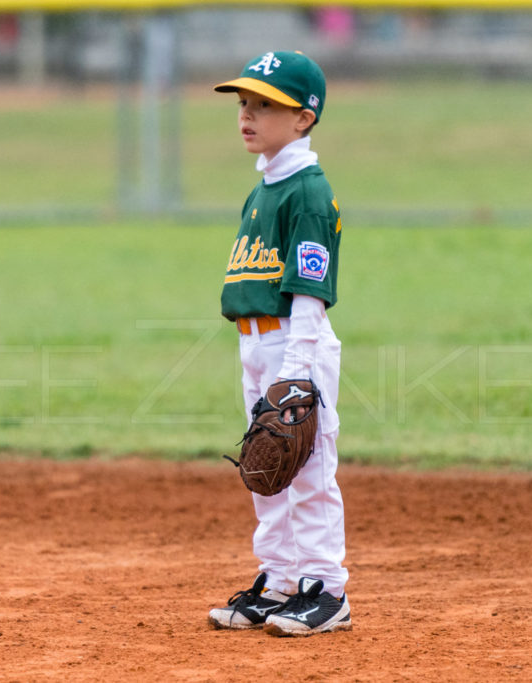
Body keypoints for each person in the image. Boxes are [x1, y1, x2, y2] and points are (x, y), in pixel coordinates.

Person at [207, 51, 350, 636]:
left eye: (266, 104)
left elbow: (310, 296)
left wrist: (293, 370)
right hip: (256, 343)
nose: (248, 114)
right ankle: (281, 580)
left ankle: (326, 589)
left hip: (297, 342)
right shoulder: (264, 188)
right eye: (245, 102)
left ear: (304, 118)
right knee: (267, 465)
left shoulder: (307, 193)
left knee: (308, 466)